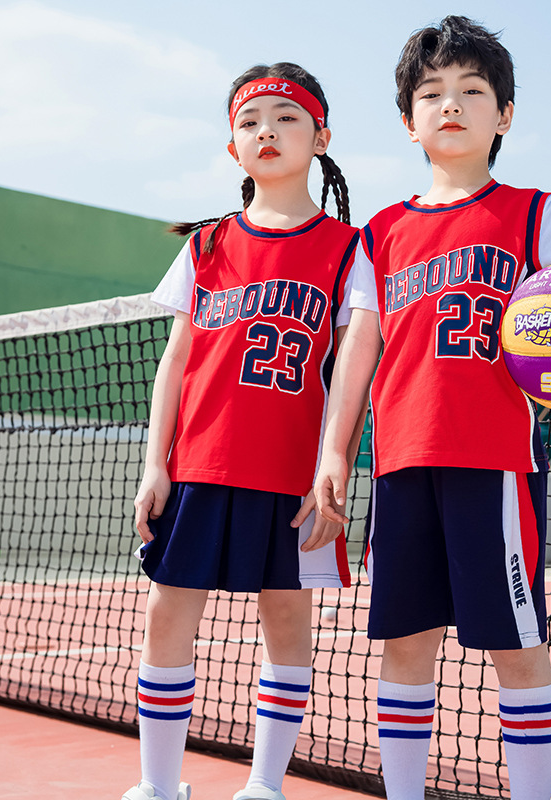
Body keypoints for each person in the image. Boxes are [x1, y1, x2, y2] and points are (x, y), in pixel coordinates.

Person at [314, 16, 551, 800]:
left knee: (516, 649)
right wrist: (335, 453)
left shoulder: (532, 212)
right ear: (408, 121)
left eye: (472, 91)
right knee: (404, 646)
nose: (451, 104)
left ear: (504, 115)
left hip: (494, 465)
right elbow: (359, 348)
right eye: (432, 93)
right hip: (405, 464)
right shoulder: (379, 234)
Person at [123, 62, 365, 800]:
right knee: (166, 613)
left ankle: (265, 784)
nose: (268, 130)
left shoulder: (351, 248)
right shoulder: (205, 247)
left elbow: (355, 367)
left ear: (321, 137)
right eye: (251, 120)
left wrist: (335, 460)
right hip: (197, 464)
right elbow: (176, 362)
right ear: (233, 147)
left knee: (287, 619)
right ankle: (160, 785)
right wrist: (153, 463)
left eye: (288, 118)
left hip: (288, 475)